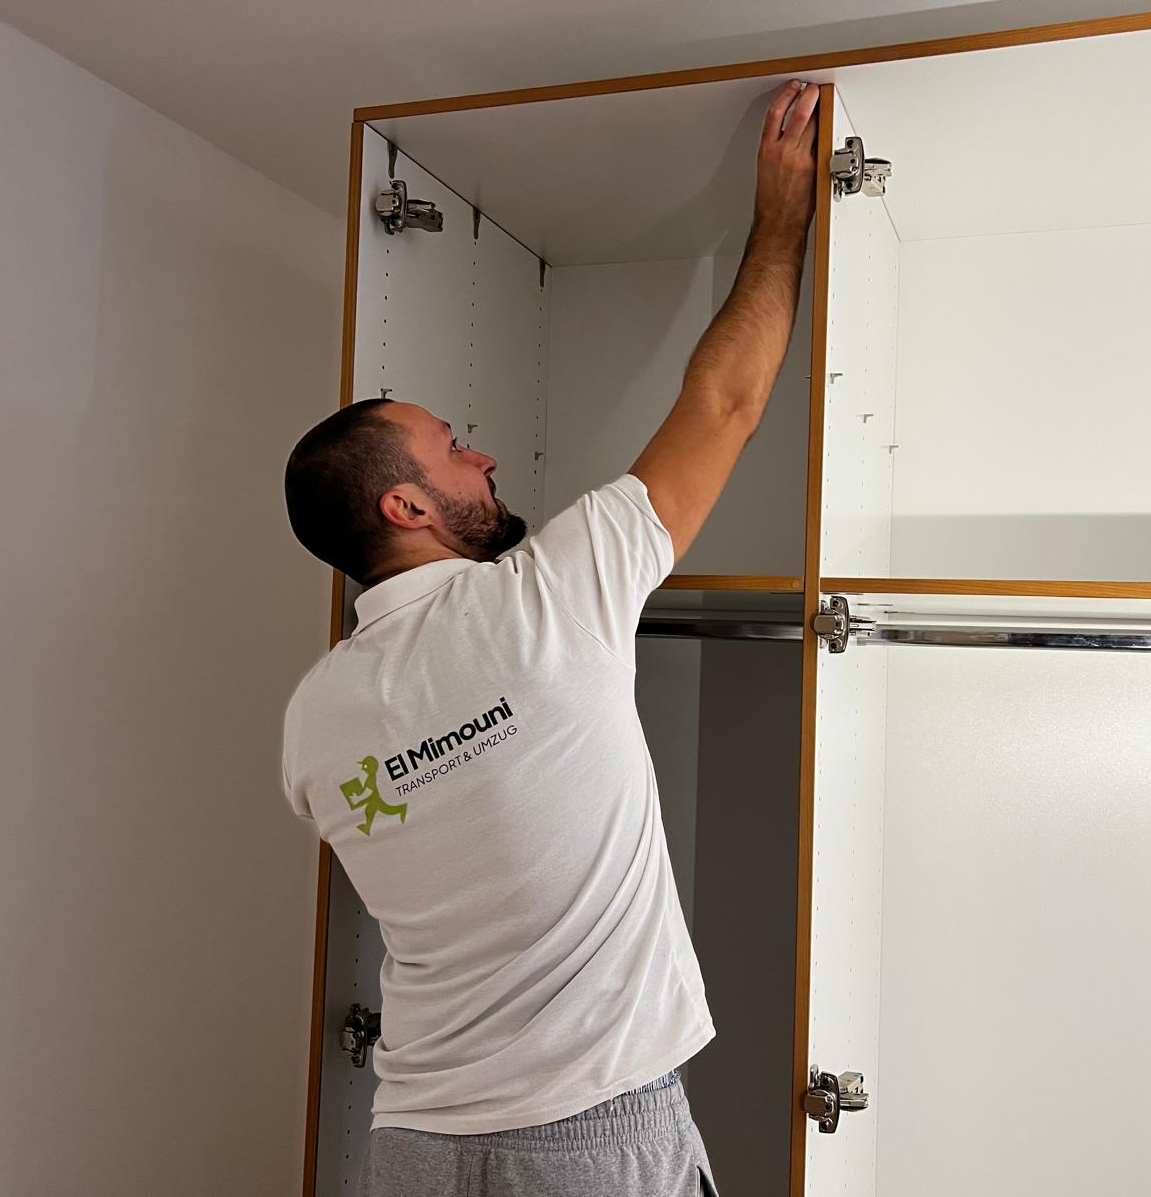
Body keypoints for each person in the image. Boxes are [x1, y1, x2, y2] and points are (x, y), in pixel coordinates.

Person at [280, 77, 819, 1197]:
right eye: (451, 446)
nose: (478, 458)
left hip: (413, 1146)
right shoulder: (546, 598)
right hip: (587, 1139)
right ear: (406, 508)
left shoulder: (310, 718)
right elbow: (723, 405)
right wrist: (782, 220)